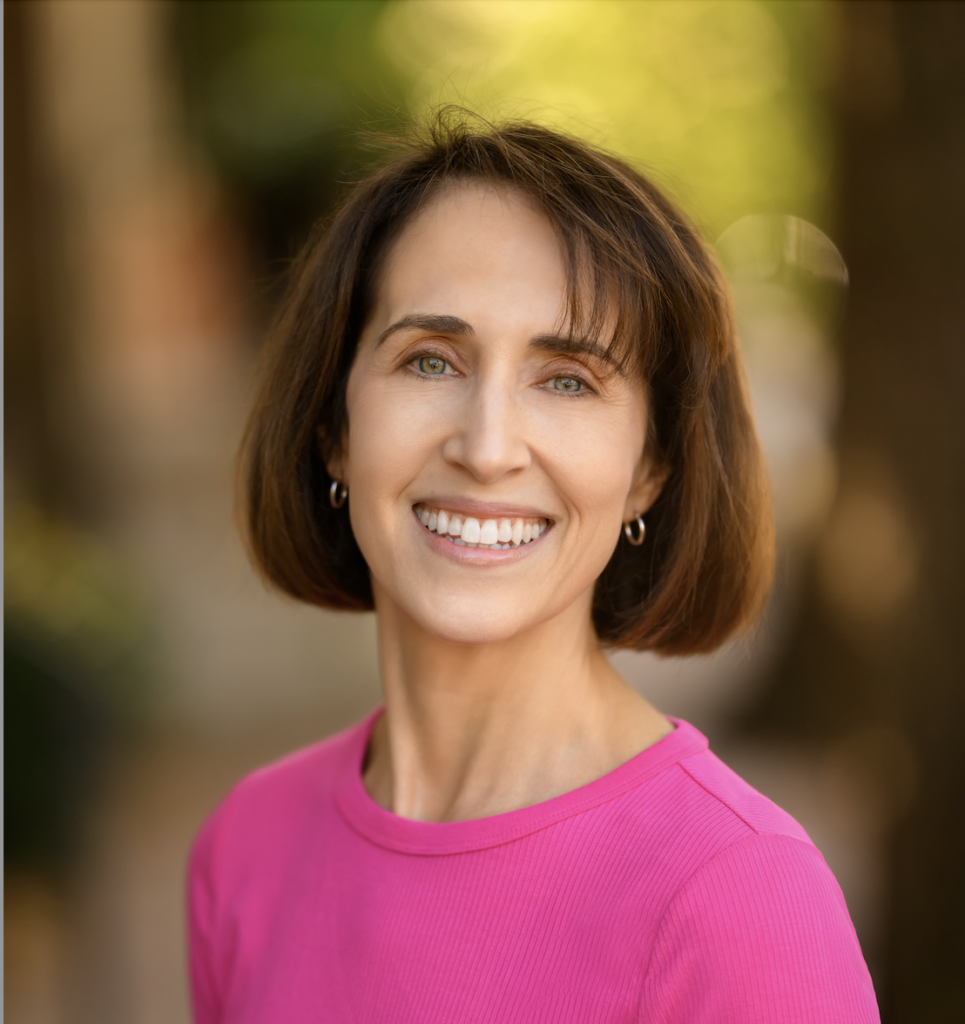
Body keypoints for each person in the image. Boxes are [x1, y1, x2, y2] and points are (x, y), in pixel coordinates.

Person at [187, 112, 880, 1023]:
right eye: (430, 360)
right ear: (333, 430)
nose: (486, 446)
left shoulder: (736, 896)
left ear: (648, 471)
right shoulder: (247, 846)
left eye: (566, 379)